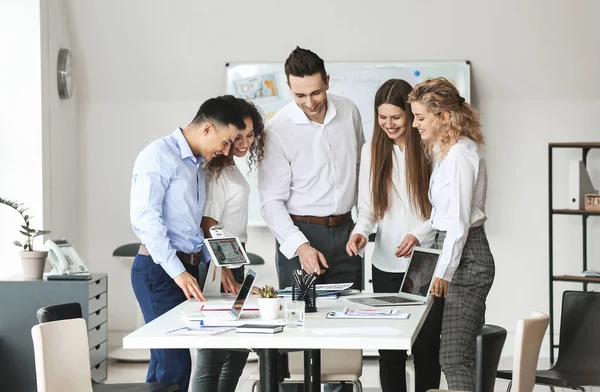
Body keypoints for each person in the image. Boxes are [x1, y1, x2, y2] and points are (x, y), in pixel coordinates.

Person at [258, 46, 365, 392]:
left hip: (346, 232)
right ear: (289, 89)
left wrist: (363, 225)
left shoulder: (349, 111)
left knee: (347, 328)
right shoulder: (278, 129)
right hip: (301, 234)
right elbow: (270, 203)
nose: (309, 101)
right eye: (300, 94)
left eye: (316, 92)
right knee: (299, 331)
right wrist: (300, 246)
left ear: (327, 82)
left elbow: (363, 174)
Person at [130, 96, 245, 392]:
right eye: (225, 141)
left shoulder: (195, 165)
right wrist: (177, 272)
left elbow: (191, 231)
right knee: (174, 364)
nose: (226, 150)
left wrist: (216, 264)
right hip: (160, 271)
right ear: (208, 128)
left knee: (165, 363)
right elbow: (146, 219)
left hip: (187, 269)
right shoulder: (158, 155)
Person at [345, 79, 444, 392]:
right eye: (382, 117)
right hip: (385, 264)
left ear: (412, 115)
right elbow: (368, 210)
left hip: (426, 262)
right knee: (390, 352)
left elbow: (443, 210)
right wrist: (360, 233)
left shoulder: (433, 148)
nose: (388, 124)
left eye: (396, 117)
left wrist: (417, 234)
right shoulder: (372, 150)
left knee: (426, 348)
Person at [399, 77, 495, 391]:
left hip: (466, 259)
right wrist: (417, 233)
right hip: (450, 252)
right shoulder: (446, 151)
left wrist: (444, 271)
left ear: (443, 116)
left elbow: (460, 222)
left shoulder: (461, 154)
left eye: (420, 117)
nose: (414, 124)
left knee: (454, 357)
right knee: (447, 349)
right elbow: (443, 215)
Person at [192, 98, 265, 392]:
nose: (244, 142)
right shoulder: (216, 171)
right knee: (213, 351)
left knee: (237, 349)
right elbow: (209, 224)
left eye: (250, 135)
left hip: (236, 257)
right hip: (222, 260)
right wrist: (222, 266)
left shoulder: (231, 168)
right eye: (239, 136)